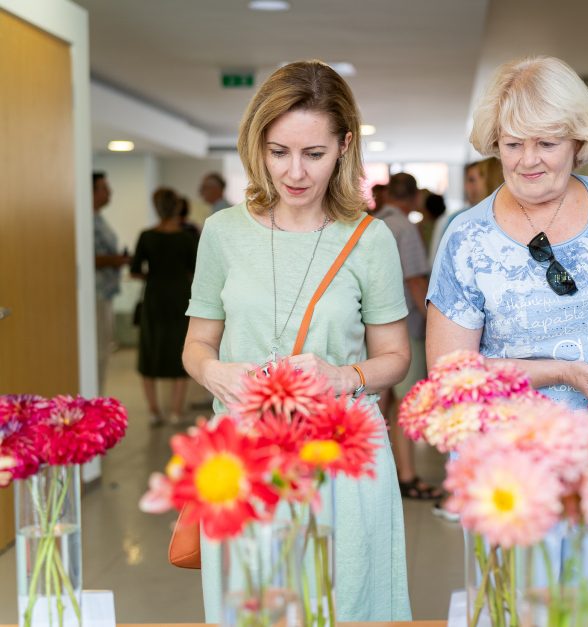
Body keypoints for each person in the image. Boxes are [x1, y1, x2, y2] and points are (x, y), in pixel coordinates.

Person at [426, 53, 588, 607]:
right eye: (512, 143)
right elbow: (450, 372)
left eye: (546, 143)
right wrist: (559, 372)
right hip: (515, 464)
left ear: (578, 140)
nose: (528, 161)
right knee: (528, 605)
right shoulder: (467, 239)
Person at [182, 60, 412, 621]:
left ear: (344, 147)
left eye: (314, 153)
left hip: (341, 452)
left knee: (347, 603)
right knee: (252, 608)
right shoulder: (223, 232)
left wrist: (341, 376)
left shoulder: (370, 238)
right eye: (279, 151)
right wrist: (216, 374)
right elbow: (196, 344)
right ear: (257, 145)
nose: (296, 172)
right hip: (244, 454)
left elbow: (396, 357)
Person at [374, 173, 441, 502]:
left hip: (371, 330)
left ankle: (378, 472)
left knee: (378, 402)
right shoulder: (405, 228)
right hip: (403, 327)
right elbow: (415, 282)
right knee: (406, 403)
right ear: (413, 198)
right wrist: (435, 323)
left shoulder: (372, 223)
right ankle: (407, 475)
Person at [130, 187, 198, 426]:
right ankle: (176, 411)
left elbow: (135, 270)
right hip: (181, 296)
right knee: (181, 347)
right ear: (177, 207)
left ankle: (153, 410)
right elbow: (196, 270)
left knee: (150, 348)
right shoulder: (186, 238)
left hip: (154, 297)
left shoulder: (146, 236)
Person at [93, 171, 131, 393]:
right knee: (97, 349)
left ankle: (98, 394)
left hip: (105, 293)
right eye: (104, 188)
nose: (110, 193)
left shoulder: (98, 218)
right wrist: (116, 259)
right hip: (95, 293)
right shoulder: (86, 220)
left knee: (104, 347)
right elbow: (88, 256)